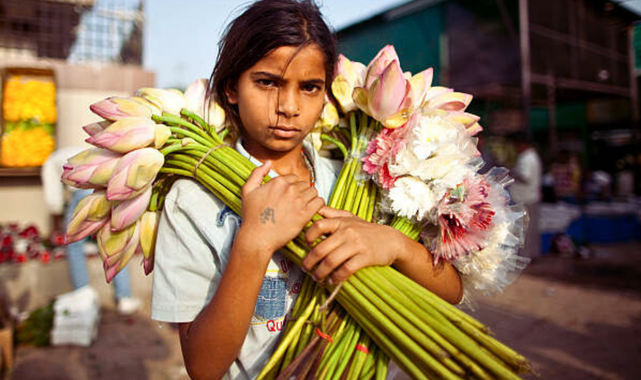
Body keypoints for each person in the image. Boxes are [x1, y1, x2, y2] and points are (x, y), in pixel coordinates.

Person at [150, 1, 462, 379]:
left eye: (310, 87)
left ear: (326, 92)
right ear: (231, 88)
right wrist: (254, 242)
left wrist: (395, 245)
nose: (289, 107)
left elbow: (452, 292)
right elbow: (203, 367)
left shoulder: (360, 179)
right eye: (268, 82)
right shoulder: (193, 200)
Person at [42, 146, 141, 315]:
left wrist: (57, 226)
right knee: (114, 241)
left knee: (73, 244)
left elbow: (54, 199)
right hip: (108, 188)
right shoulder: (82, 152)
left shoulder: (50, 164)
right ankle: (124, 296)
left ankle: (82, 291)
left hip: (84, 190)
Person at [508, 132, 542, 260]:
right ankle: (530, 254)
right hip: (527, 197)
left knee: (525, 230)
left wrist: (511, 171)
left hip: (526, 198)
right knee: (529, 229)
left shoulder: (528, 158)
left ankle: (525, 256)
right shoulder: (529, 156)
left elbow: (525, 176)